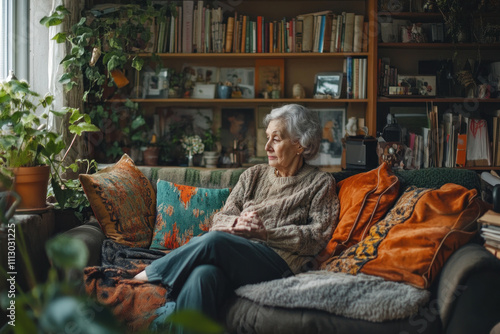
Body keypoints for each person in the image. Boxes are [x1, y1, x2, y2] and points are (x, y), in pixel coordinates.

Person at [134, 104, 340, 331]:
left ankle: (148, 276)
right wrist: (235, 224)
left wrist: (265, 234)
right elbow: (221, 218)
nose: (267, 146)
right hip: (237, 257)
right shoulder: (254, 174)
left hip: (279, 265)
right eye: (267, 138)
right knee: (202, 276)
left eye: (276, 139)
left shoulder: (320, 183)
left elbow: (318, 235)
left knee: (215, 242)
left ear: (300, 144)